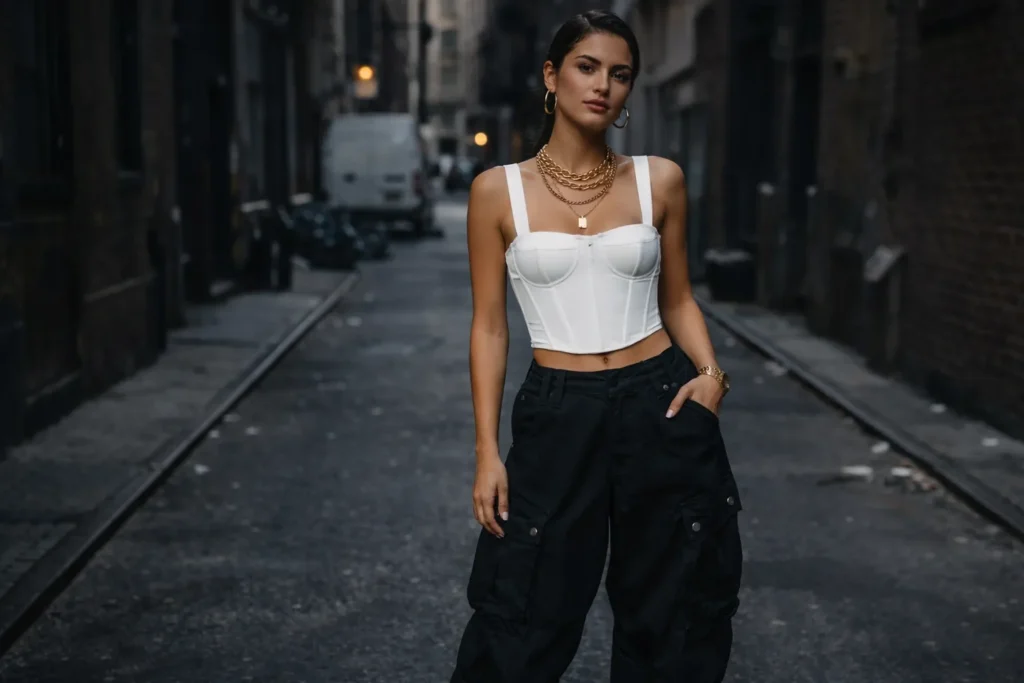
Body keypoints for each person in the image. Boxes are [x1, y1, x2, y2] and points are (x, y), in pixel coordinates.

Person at [450, 10, 743, 683]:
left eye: (620, 74)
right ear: (551, 76)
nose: (603, 86)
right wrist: (488, 451)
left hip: (660, 400)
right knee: (522, 605)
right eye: (587, 67)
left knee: (673, 609)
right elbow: (490, 326)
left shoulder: (659, 180)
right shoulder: (497, 192)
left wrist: (711, 375)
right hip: (559, 413)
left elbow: (677, 298)